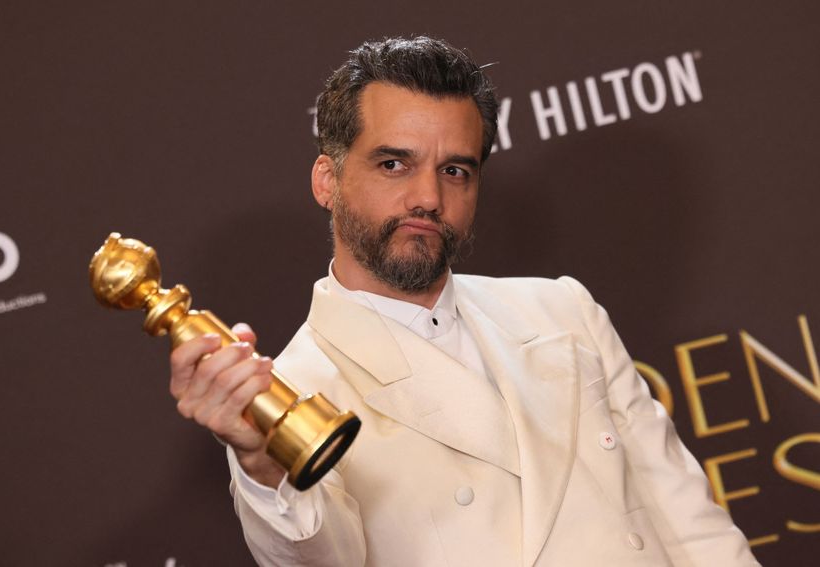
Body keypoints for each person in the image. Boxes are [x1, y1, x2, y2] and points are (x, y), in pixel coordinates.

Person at [168, 36, 759, 566]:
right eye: (394, 163)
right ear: (328, 179)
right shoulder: (292, 391)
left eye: (454, 170)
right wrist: (263, 463)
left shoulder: (564, 310)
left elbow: (690, 525)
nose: (427, 197)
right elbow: (318, 560)